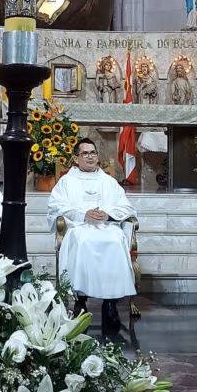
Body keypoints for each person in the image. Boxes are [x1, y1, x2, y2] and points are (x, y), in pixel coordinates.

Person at [47, 137, 137, 330]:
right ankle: (80, 300)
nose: (89, 157)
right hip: (79, 228)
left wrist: (109, 214)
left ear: (98, 157)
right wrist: (83, 214)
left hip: (106, 227)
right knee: (84, 242)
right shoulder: (66, 182)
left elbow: (126, 207)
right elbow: (56, 208)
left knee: (115, 241)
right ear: (76, 158)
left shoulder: (109, 182)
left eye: (93, 153)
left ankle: (110, 303)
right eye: (85, 153)